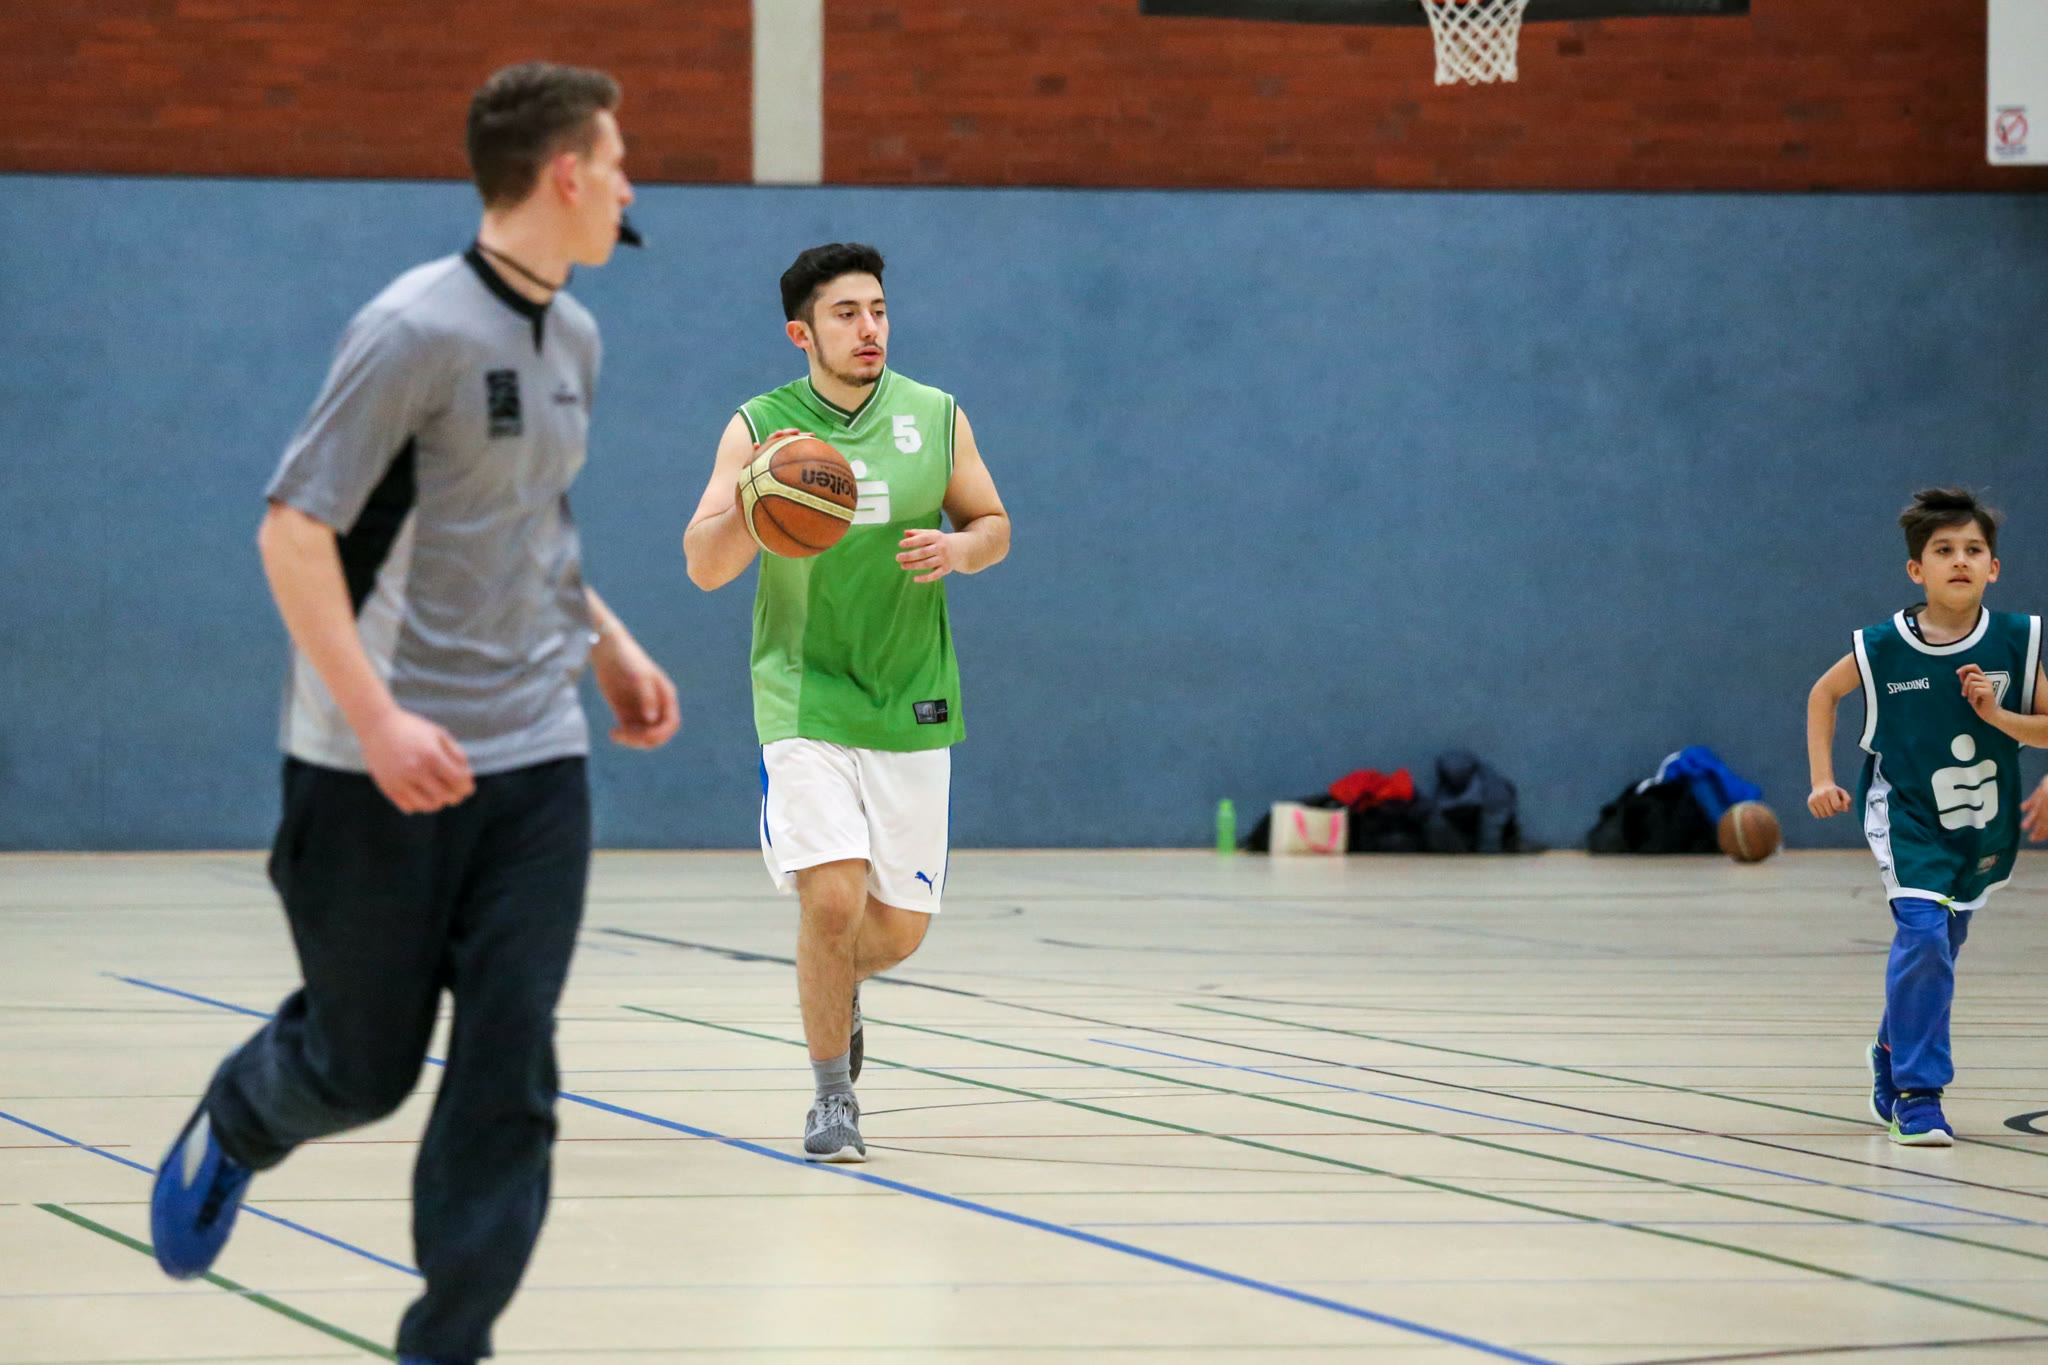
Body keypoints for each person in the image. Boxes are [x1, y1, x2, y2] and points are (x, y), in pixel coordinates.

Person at [147, 62, 679, 1365]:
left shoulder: (578, 337)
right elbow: (292, 533)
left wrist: (606, 642)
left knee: (510, 1065)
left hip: (534, 761)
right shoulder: (411, 330)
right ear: (566, 173)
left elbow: (529, 522)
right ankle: (243, 1115)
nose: (630, 186)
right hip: (371, 770)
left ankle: (448, 1344)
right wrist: (379, 721)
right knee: (363, 1069)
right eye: (617, 162)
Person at [683, 243, 1009, 1162]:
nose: (870, 328)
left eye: (878, 310)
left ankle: (837, 985)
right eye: (846, 313)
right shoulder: (762, 427)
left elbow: (993, 524)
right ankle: (833, 1098)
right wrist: (754, 502)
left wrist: (961, 550)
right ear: (802, 333)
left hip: (911, 695)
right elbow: (703, 565)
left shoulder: (935, 415)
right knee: (830, 902)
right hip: (804, 693)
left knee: (894, 933)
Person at [1806, 487, 2047, 1146]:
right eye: (1944, 550)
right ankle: (1918, 1094)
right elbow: (1824, 694)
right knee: (1924, 935)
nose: (1960, 560)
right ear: (1918, 569)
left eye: (1973, 549)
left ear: (1994, 566)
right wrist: (1822, 777)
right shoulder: (1883, 646)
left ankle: (1891, 1045)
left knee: (1944, 943)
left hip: (1982, 823)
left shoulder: (2018, 639)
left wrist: (1999, 717)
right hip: (1907, 815)